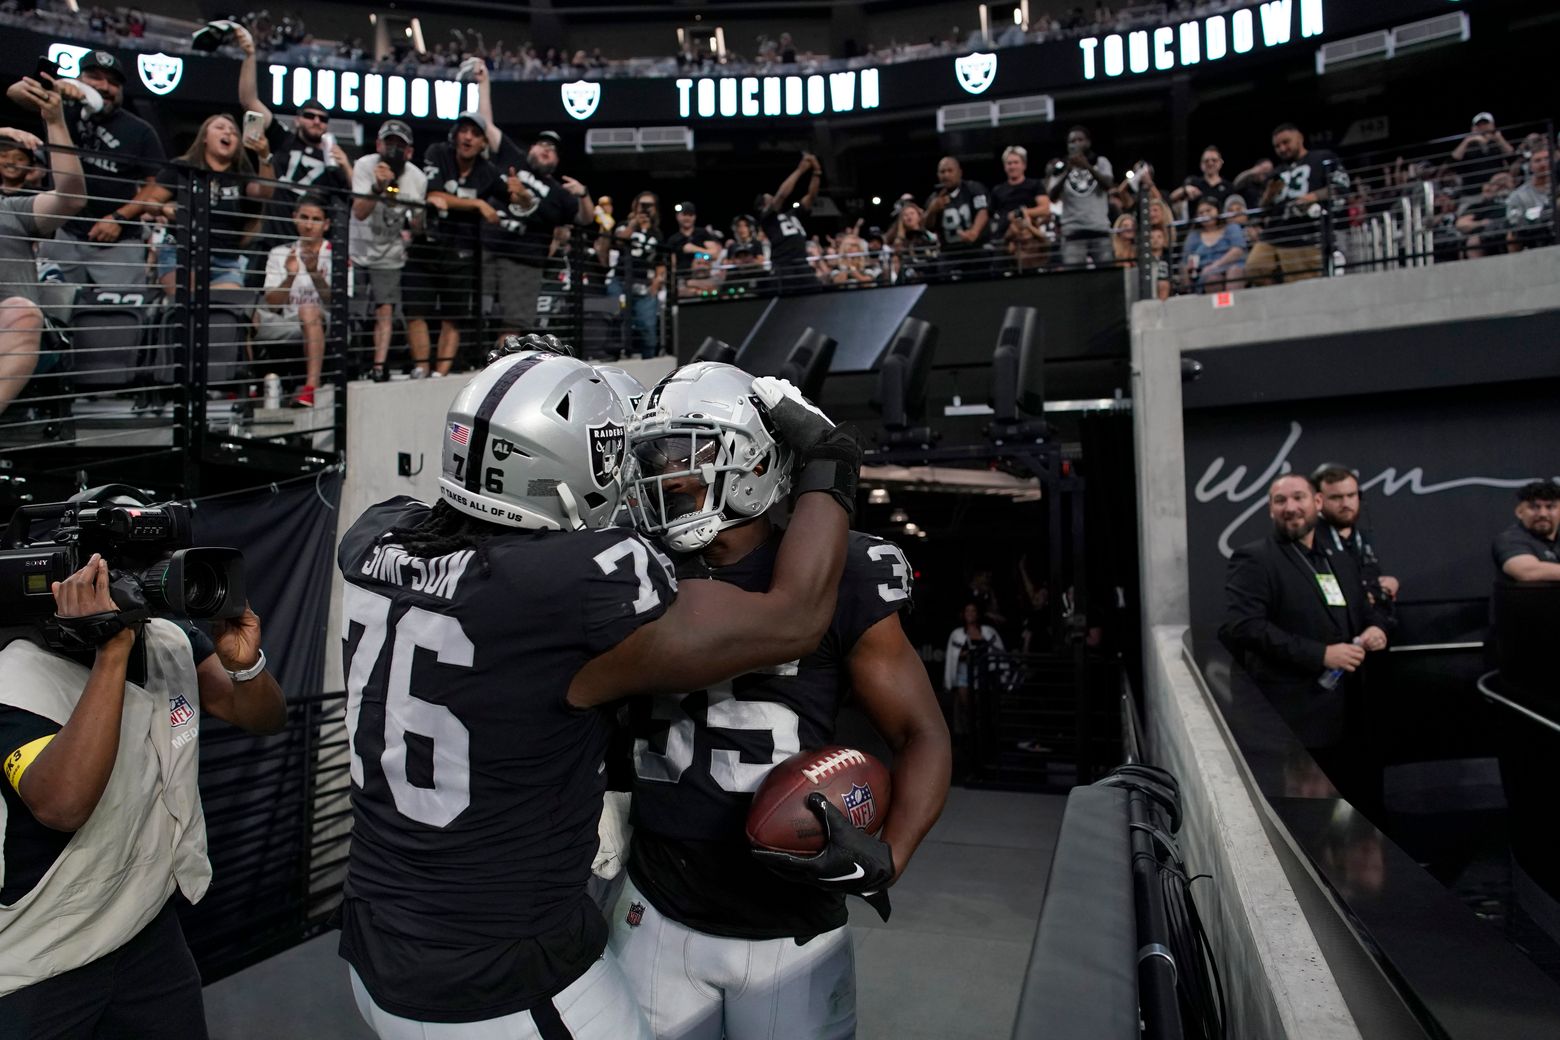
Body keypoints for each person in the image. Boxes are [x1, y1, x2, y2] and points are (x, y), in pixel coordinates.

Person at [336, 344, 863, 1038]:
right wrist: (830, 458)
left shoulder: (380, 534)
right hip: (497, 974)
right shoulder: (571, 590)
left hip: (374, 939)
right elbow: (794, 617)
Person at [612, 362, 951, 1039]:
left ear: (754, 457)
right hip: (655, 905)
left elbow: (921, 732)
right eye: (657, 453)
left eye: (690, 450)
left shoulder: (842, 571)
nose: (669, 473)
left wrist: (893, 854)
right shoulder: (629, 564)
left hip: (789, 927)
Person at [0, 501, 286, 1033]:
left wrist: (246, 667)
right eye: (117, 568)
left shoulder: (167, 638)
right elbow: (62, 805)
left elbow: (263, 717)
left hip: (146, 928)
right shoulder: (13, 675)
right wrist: (111, 650)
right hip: (36, 962)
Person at [1219, 474, 1388, 785]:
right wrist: (1321, 654)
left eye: (1299, 497)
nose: (1290, 507)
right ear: (1270, 509)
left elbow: (1366, 609)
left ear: (1318, 503)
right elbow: (1245, 627)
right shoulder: (1255, 558)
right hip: (1293, 725)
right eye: (1280, 501)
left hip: (1350, 717)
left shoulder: (1338, 557)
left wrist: (1376, 627)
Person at [35, 51, 164, 315]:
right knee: (51, 314)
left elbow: (158, 185)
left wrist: (118, 217)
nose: (104, 87)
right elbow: (18, 93)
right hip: (64, 233)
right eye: (95, 77)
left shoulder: (140, 130)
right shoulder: (59, 112)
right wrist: (54, 89)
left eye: (113, 82)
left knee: (122, 320)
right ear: (80, 78)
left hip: (119, 242)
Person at [1, 78, 85, 419]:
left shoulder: (12, 207)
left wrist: (55, 121)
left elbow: (72, 197)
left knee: (22, 312)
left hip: (8, 326)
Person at [131, 113, 275, 297]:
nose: (228, 133)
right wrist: (163, 209)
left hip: (225, 259)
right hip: (181, 253)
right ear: (205, 137)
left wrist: (264, 156)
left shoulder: (242, 175)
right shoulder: (183, 167)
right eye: (220, 128)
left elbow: (265, 192)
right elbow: (150, 202)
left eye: (233, 132)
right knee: (189, 304)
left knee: (226, 313)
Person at [404, 112, 503, 377]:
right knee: (415, 310)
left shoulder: (489, 172)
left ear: (483, 142)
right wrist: (478, 204)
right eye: (464, 131)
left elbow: (515, 198)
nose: (468, 137)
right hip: (426, 245)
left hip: (462, 251)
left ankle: (440, 375)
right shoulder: (438, 152)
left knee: (454, 316)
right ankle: (421, 371)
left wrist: (522, 195)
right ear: (455, 135)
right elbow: (434, 194)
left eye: (475, 133)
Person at [350, 120, 426, 382]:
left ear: (409, 151)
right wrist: (377, 187)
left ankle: (378, 366)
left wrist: (419, 217)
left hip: (390, 254)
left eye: (400, 145)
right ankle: (353, 364)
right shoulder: (364, 165)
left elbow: (417, 226)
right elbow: (359, 212)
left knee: (385, 311)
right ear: (379, 144)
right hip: (358, 250)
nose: (393, 149)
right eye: (389, 142)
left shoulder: (417, 178)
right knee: (354, 312)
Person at [1245, 123, 1349, 286]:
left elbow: (1340, 187)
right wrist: (1268, 195)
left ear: (1300, 138)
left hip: (1305, 232)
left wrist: (1313, 196)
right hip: (1274, 233)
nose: (1282, 148)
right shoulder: (1276, 172)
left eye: (1286, 142)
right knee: (1254, 267)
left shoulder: (1322, 158)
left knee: (1301, 283)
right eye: (1277, 146)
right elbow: (1262, 210)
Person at [256, 193, 334, 406]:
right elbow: (272, 302)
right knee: (250, 314)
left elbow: (336, 301)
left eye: (316, 219)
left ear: (326, 224)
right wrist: (290, 277)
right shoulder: (279, 253)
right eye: (304, 217)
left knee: (308, 309)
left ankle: (311, 387)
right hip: (288, 319)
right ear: (294, 218)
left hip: (324, 318)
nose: (309, 225)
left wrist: (314, 273)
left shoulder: (336, 254)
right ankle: (248, 387)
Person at [1313, 464, 1399, 608]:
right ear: (1318, 501)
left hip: (1375, 625)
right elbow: (1321, 593)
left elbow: (1374, 583)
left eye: (1351, 495)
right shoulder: (1309, 541)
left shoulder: (1364, 539)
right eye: (1336, 497)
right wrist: (1364, 596)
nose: (1345, 503)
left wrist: (1388, 585)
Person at [604, 191, 665, 359]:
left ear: (655, 209)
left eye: (649, 205)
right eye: (642, 205)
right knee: (616, 318)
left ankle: (649, 361)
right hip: (620, 281)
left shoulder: (657, 234)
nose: (645, 209)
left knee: (647, 325)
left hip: (643, 284)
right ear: (635, 206)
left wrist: (657, 283)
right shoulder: (625, 224)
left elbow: (660, 262)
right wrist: (634, 224)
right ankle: (615, 360)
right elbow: (618, 241)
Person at [1047, 126, 1115, 268]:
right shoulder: (1061, 166)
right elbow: (1052, 196)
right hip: (1073, 231)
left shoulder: (1100, 162)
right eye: (1072, 141)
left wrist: (1087, 166)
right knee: (1075, 278)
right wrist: (1067, 170)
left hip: (1099, 228)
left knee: (1107, 274)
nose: (1076, 143)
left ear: (1088, 142)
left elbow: (1108, 184)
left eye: (1080, 140)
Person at [756, 154, 821, 292]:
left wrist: (816, 172)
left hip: (802, 263)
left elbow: (811, 196)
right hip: (784, 266)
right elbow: (782, 195)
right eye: (768, 199)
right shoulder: (767, 218)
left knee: (815, 295)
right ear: (762, 206)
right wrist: (800, 170)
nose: (772, 198)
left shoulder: (792, 214)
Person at [945, 602, 1004, 744]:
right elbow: (953, 655)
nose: (970, 614)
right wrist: (965, 654)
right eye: (967, 611)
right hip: (963, 673)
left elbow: (998, 650)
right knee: (966, 706)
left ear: (978, 614)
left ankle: (982, 737)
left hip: (983, 674)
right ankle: (967, 738)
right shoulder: (957, 634)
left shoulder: (988, 631)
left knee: (982, 706)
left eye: (973, 611)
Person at [925, 156, 990, 276]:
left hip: (975, 250)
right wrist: (931, 211)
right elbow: (928, 226)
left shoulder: (973, 188)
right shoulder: (934, 198)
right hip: (949, 253)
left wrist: (974, 232)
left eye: (950, 171)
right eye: (942, 172)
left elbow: (983, 211)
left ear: (959, 172)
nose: (946, 175)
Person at [1493, 480, 1560, 581]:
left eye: (1550, 507)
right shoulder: (1509, 539)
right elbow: (1528, 571)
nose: (1543, 514)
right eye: (1534, 507)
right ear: (1519, 512)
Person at [1180, 198, 1246, 293]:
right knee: (1213, 278)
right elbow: (1186, 261)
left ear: (1217, 211)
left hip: (1231, 266)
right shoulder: (1193, 236)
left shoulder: (1231, 227)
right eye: (1201, 213)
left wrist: (1215, 266)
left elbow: (1237, 250)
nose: (1205, 215)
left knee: (1235, 271)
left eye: (1208, 210)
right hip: (1206, 274)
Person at [1450, 112, 1513, 191]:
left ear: (1492, 125)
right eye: (1479, 125)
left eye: (1485, 124)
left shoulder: (1498, 140)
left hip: (1497, 187)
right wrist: (1468, 140)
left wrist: (1498, 138)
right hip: (1473, 190)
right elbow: (1454, 159)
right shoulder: (1468, 143)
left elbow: (1511, 154)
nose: (1483, 127)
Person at [1169, 146, 1233, 218]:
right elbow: (1171, 198)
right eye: (1206, 161)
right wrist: (1185, 190)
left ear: (1221, 162)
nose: (1210, 163)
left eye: (1214, 160)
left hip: (1221, 226)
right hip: (1196, 227)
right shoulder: (1193, 182)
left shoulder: (1228, 186)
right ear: (1201, 164)